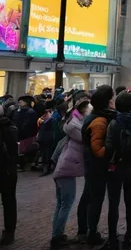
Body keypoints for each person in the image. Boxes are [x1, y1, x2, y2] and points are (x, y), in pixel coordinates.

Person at [105, 93, 131, 249]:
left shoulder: (114, 123)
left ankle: (112, 238)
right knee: (130, 201)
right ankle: (128, 236)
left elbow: (109, 146)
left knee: (113, 203)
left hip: (115, 166)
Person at [50, 100, 91, 249]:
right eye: (88, 109)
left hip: (63, 169)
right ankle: (57, 237)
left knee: (61, 204)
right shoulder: (75, 127)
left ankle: (56, 234)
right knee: (66, 204)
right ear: (83, 110)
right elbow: (87, 138)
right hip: (65, 171)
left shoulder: (71, 122)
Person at [81, 85, 117, 246]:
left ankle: (88, 230)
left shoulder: (97, 116)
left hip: (93, 164)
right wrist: (109, 153)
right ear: (107, 101)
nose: (114, 100)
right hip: (96, 165)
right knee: (96, 198)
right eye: (113, 97)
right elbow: (97, 148)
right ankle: (92, 232)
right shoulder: (99, 120)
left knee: (92, 197)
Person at [0, 103, 18, 245]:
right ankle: (10, 231)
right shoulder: (11, 127)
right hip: (9, 170)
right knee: (9, 202)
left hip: (5, 169)